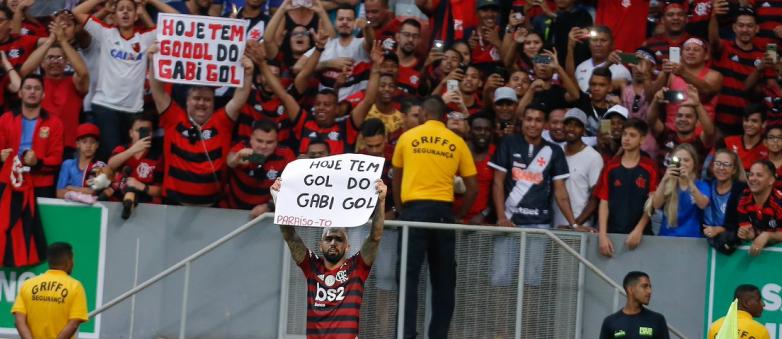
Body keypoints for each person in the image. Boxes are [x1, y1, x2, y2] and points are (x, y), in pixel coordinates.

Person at [391, 95, 478, 339]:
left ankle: (406, 334)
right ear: (443, 117)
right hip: (443, 214)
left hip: (413, 211)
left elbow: (396, 178)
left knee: (408, 279)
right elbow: (472, 187)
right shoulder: (456, 141)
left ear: (424, 115)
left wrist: (401, 210)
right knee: (444, 282)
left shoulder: (407, 138)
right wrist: (458, 214)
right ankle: (438, 335)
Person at [272, 178, 387, 339]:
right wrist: (280, 201)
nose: (333, 243)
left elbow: (375, 237)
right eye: (328, 239)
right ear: (320, 245)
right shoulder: (312, 266)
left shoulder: (357, 267)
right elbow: (290, 236)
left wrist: (380, 202)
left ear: (348, 246)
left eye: (339, 239)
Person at [147, 44, 254, 206]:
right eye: (197, 98)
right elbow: (158, 91)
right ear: (187, 101)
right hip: (173, 203)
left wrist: (248, 74)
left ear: (213, 103)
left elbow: (239, 99)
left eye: (207, 99)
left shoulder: (222, 122)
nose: (202, 103)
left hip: (212, 206)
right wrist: (153, 62)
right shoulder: (174, 117)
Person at [73, 0, 176, 160]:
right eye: (121, 9)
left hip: (134, 110)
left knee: (134, 160)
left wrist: (151, 1)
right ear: (115, 14)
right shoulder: (105, 32)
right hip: (105, 107)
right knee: (112, 157)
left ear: (137, 15)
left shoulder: (146, 37)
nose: (125, 12)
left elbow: (177, 20)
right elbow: (77, 11)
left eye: (129, 9)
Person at [20, 17, 89, 160]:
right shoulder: (36, 84)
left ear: (66, 62)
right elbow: (24, 71)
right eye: (50, 58)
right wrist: (50, 40)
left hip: (68, 148)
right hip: (38, 144)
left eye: (59, 58)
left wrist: (63, 41)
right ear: (42, 63)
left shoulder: (74, 82)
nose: (55, 62)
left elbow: (83, 73)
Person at [596, 119, 658, 257]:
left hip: (642, 235)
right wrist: (602, 235)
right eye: (624, 134)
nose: (626, 138)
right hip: (612, 233)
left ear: (642, 139)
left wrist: (639, 230)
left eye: (632, 135)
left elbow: (652, 203)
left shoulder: (650, 167)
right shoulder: (610, 167)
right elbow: (604, 202)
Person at [0, 74, 64, 198]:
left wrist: (37, 162)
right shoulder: (5, 119)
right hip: (9, 180)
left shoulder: (55, 123)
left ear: (43, 94)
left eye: (37, 88)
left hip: (40, 184)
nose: (32, 91)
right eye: (28, 88)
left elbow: (56, 160)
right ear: (20, 93)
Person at [12, 242, 88, 339]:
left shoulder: (28, 284)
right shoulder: (75, 286)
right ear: (69, 261)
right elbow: (73, 324)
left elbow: (19, 322)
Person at [224, 119, 295, 218]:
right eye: (259, 141)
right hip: (233, 212)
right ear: (251, 138)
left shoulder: (285, 155)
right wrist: (237, 158)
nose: (263, 146)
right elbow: (230, 160)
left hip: (266, 215)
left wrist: (269, 206)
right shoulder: (243, 149)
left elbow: (292, 188)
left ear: (276, 142)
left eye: (269, 142)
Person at [553, 108, 603, 228]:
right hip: (554, 225)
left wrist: (575, 224)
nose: (571, 128)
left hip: (580, 227)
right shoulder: (556, 152)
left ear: (584, 130)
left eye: (577, 125)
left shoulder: (593, 157)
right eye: (568, 124)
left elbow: (595, 197)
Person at [651, 143, 711, 237]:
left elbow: (703, 204)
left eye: (686, 160)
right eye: (678, 160)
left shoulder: (701, 185)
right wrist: (664, 179)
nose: (682, 163)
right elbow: (656, 204)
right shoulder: (667, 183)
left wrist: (689, 182)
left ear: (694, 163)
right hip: (667, 237)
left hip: (691, 239)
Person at [600, 271, 670, 339]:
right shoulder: (610, 322)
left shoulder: (657, 320)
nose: (649, 291)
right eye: (644, 286)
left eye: (650, 287)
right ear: (630, 290)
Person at [734, 160, 782, 256]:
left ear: (771, 180)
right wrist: (748, 234)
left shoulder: (779, 202)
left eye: (759, 175)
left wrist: (767, 236)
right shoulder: (743, 199)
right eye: (751, 174)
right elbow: (749, 230)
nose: (752, 179)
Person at [567, 26, 631, 92]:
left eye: (603, 40)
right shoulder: (581, 67)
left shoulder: (622, 71)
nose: (598, 44)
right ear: (589, 44)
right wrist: (570, 47)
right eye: (594, 40)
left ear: (612, 44)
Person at [703, 149, 746, 249]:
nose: (721, 168)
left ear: (734, 169)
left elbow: (742, 226)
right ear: (713, 166)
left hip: (732, 244)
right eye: (718, 163)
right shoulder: (706, 186)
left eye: (726, 164)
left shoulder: (741, 191)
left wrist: (720, 230)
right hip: (704, 242)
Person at [56, 123, 107, 200]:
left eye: (92, 142)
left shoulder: (99, 166)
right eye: (84, 141)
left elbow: (91, 192)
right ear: (77, 144)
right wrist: (83, 191)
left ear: (97, 145)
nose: (88, 145)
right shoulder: (67, 164)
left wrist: (70, 188)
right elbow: (59, 193)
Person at [718, 104, 768, 172]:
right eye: (746, 120)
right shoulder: (726, 142)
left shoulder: (768, 149)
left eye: (754, 121)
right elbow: (710, 167)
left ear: (763, 124)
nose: (749, 124)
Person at [642, 1, 689, 65]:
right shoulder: (649, 44)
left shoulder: (696, 44)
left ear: (686, 19)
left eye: (680, 14)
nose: (675, 18)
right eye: (670, 15)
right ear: (663, 20)